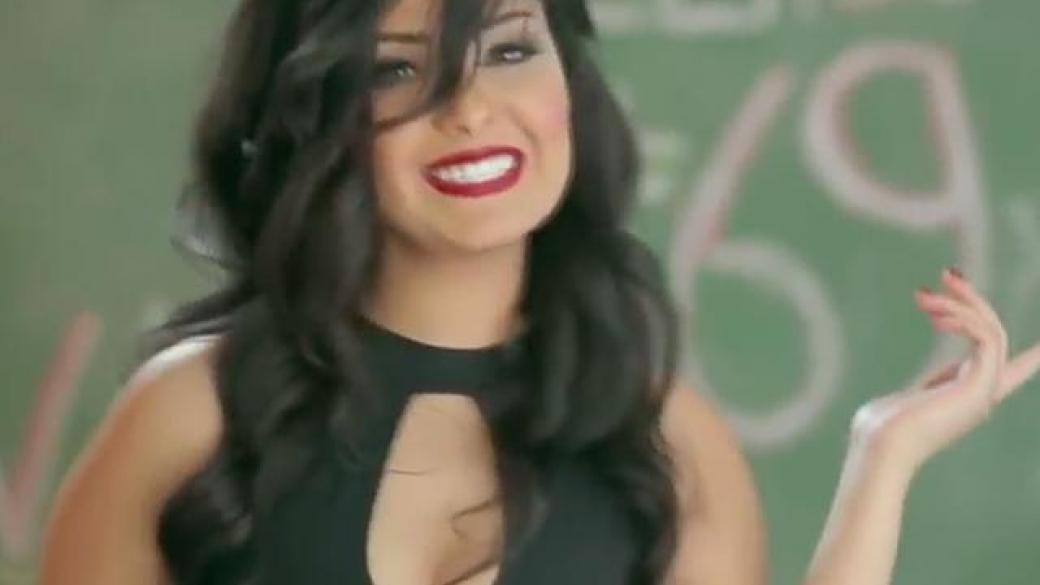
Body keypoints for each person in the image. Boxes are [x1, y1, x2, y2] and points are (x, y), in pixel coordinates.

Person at [36, 0, 1040, 584]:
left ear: (570, 85)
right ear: (317, 116)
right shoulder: (188, 412)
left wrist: (881, 458)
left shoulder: (668, 443)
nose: (472, 109)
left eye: (512, 50)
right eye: (398, 72)